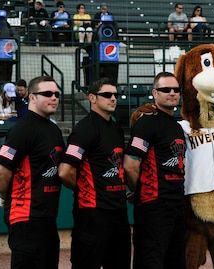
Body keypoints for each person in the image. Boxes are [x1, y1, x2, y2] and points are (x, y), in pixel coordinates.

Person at [0, 76, 65, 269]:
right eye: (48, 94)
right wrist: (4, 196)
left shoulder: (53, 130)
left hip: (47, 218)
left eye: (57, 94)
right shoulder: (23, 129)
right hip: (26, 217)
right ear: (32, 97)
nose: (54, 98)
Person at [58, 77, 131, 269]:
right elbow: (65, 171)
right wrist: (88, 188)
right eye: (107, 95)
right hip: (92, 215)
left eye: (115, 94)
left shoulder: (115, 128)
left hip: (118, 212)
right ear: (92, 98)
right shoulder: (84, 129)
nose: (113, 98)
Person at [124, 72, 186, 269]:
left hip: (176, 206)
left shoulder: (177, 127)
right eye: (165, 89)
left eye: (176, 90)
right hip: (154, 207)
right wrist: (140, 191)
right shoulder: (147, 123)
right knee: (151, 262)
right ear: (154, 93)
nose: (172, 93)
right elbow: (130, 164)